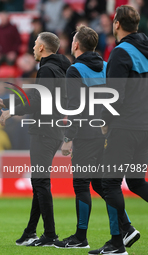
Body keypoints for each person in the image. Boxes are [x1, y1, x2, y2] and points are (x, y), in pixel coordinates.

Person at [55, 25, 139, 250]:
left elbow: (75, 107)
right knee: (105, 184)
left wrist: (68, 138)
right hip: (108, 132)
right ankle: (127, 228)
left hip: (85, 134)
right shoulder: (106, 66)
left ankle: (80, 237)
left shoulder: (75, 70)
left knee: (81, 183)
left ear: (76, 45)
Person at [0, 32, 71, 246]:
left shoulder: (47, 70)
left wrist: (11, 110)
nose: (32, 47)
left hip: (44, 132)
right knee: (39, 182)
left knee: (40, 182)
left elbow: (38, 102)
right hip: (54, 131)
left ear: (42, 48)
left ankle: (49, 235)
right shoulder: (60, 69)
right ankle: (30, 231)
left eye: (35, 44)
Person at [89, 5, 148, 255]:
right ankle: (122, 235)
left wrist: (104, 122)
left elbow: (114, 96)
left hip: (125, 127)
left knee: (107, 182)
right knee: (135, 182)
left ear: (116, 25)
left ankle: (120, 238)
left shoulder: (121, 52)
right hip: (145, 127)